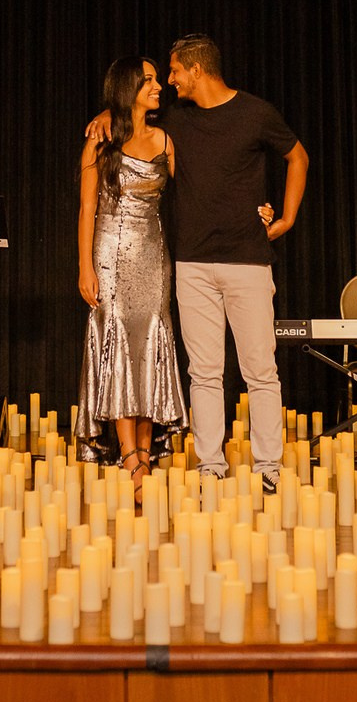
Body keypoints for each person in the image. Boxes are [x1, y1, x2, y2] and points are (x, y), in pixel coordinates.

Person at [88, 33, 308, 493]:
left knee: (260, 369)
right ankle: (211, 463)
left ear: (196, 69)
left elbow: (297, 157)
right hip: (191, 263)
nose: (168, 81)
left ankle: (268, 464)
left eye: (173, 71)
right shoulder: (174, 121)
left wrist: (286, 218)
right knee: (204, 372)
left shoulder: (255, 113)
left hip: (247, 260)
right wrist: (107, 113)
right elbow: (129, 118)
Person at [74, 56, 187, 501]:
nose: (158, 86)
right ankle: (129, 456)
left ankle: (144, 449)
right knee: (119, 342)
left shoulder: (165, 140)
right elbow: (87, 208)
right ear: (128, 89)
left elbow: (196, 192)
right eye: (149, 80)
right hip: (110, 254)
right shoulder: (100, 141)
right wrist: (85, 266)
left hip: (153, 255)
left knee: (150, 344)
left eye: (158, 79)